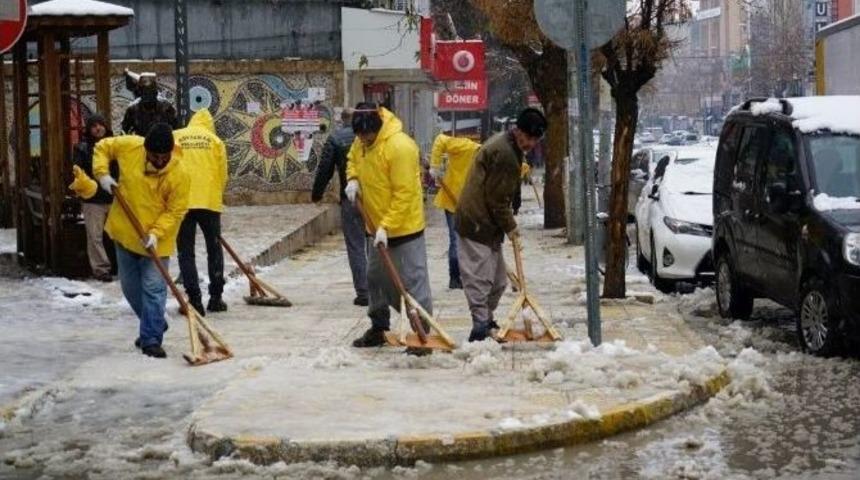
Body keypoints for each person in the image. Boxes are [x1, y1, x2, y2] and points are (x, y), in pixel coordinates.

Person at [93, 123, 190, 358]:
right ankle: (155, 321)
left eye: (162, 156)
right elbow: (103, 146)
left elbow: (175, 211)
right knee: (130, 289)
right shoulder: (131, 146)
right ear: (146, 149)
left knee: (154, 289)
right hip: (126, 233)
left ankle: (151, 339)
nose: (158, 160)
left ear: (170, 152)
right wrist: (102, 174)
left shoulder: (179, 174)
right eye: (153, 155)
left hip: (157, 240)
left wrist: (156, 233)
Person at [344, 103, 432, 353]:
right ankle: (379, 326)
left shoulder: (400, 147)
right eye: (359, 137)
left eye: (367, 137)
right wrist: (352, 179)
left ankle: (422, 335)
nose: (363, 141)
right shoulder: (361, 143)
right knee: (376, 278)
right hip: (376, 227)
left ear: (378, 127)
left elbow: (405, 194)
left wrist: (387, 226)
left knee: (414, 282)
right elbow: (352, 158)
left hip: (405, 227)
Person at [455, 108, 547, 342]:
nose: (531, 143)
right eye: (528, 137)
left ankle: (486, 318)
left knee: (498, 282)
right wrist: (511, 227)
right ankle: (479, 327)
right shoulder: (505, 152)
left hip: (487, 223)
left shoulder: (510, 146)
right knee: (480, 278)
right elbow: (498, 200)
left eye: (535, 140)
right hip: (477, 221)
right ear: (518, 131)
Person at [174, 109, 229, 315]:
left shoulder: (176, 136)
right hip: (209, 203)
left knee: (186, 252)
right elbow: (223, 174)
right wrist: (217, 195)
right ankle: (216, 298)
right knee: (214, 249)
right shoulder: (215, 141)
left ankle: (194, 300)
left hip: (182, 203)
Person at [311, 108, 368, 306]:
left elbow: (324, 169)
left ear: (341, 121)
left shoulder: (336, 138)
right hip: (375, 197)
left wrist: (316, 194)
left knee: (356, 245)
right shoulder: (372, 136)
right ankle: (380, 288)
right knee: (375, 243)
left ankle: (363, 291)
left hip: (350, 198)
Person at [428, 133, 480, 290]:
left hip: (472, 203)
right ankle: (455, 278)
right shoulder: (466, 147)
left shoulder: (491, 161)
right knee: (456, 239)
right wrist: (435, 166)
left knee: (470, 240)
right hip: (453, 201)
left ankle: (469, 276)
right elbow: (440, 140)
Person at [72, 114, 116, 282]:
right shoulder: (82, 148)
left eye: (101, 124)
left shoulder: (114, 145)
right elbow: (78, 170)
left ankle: (118, 265)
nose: (98, 128)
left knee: (118, 234)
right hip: (93, 199)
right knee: (95, 236)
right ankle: (101, 268)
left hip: (114, 196)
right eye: (94, 126)